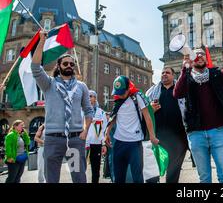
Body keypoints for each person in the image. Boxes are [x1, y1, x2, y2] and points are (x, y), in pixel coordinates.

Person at [173, 25, 223, 183]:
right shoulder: (187, 78)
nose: (199, 57)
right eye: (196, 55)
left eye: (202, 55)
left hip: (218, 133)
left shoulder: (216, 75)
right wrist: (185, 68)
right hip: (196, 135)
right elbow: (177, 93)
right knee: (204, 178)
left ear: (206, 59)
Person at [31, 31, 93, 183]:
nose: (69, 66)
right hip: (53, 139)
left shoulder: (81, 86)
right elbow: (35, 67)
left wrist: (85, 131)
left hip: (75, 139)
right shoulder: (49, 84)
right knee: (51, 179)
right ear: (59, 66)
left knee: (79, 177)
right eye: (65, 63)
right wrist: (41, 41)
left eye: (72, 64)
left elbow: (88, 110)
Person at [104, 75, 159, 183]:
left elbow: (147, 116)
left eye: (122, 93)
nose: (119, 95)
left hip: (134, 143)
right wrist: (107, 132)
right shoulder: (118, 98)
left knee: (137, 177)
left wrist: (152, 136)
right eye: (117, 93)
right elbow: (114, 116)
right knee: (118, 178)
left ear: (128, 88)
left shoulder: (137, 96)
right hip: (119, 143)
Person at [145, 66, 189, 183]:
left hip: (178, 137)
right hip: (158, 137)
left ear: (173, 75)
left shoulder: (180, 89)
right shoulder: (152, 92)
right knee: (153, 170)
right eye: (163, 72)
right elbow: (144, 112)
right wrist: (150, 109)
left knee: (173, 172)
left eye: (167, 73)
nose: (164, 74)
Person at [86, 90, 108, 183]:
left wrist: (103, 144)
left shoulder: (101, 113)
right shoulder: (82, 111)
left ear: (95, 98)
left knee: (96, 169)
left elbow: (104, 130)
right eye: (87, 96)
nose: (89, 98)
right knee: (81, 169)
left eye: (91, 96)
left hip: (96, 144)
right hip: (85, 144)